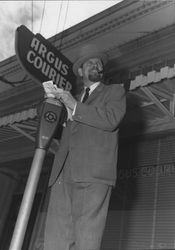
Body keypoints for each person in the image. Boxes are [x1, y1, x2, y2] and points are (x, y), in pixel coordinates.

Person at [43, 44, 126, 250]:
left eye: (98, 62)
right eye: (90, 62)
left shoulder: (115, 91)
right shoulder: (73, 98)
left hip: (93, 174)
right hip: (62, 175)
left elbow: (111, 119)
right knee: (56, 239)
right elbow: (62, 135)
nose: (96, 64)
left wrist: (75, 106)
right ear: (81, 72)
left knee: (87, 240)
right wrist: (52, 105)